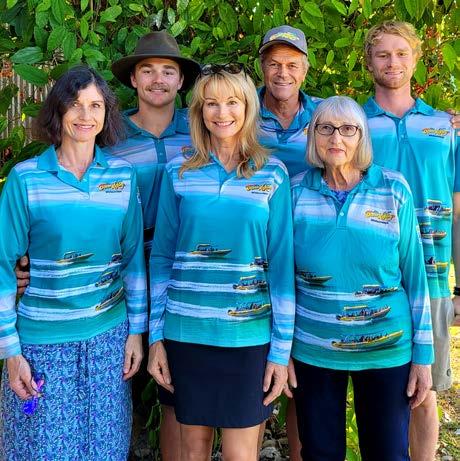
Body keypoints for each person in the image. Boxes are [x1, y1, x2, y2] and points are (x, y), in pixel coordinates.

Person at [147, 65, 295, 460]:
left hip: (247, 338)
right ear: (199, 112)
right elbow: (161, 258)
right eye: (211, 103)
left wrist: (280, 350)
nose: (222, 112)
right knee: (192, 450)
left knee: (240, 454)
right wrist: (156, 336)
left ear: (247, 108)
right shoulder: (178, 172)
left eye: (232, 102)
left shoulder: (273, 174)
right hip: (186, 333)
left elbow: (281, 267)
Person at [0, 66, 147, 460]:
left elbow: (133, 261)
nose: (85, 115)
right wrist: (10, 352)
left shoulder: (123, 177)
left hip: (108, 341)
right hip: (41, 346)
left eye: (95, 105)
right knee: (40, 450)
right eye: (75, 104)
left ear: (107, 113)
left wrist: (136, 332)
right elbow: (3, 267)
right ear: (58, 111)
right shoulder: (26, 180)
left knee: (105, 449)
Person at [290, 95, 433, 461]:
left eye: (348, 129)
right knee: (319, 453)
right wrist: (282, 350)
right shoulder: (294, 192)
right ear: (313, 136)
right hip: (315, 347)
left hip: (387, 346)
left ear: (362, 136)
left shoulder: (393, 189)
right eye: (325, 128)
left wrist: (423, 356)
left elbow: (415, 279)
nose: (336, 138)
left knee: (388, 453)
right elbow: (281, 280)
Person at [362, 21, 460, 461]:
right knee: (374, 389)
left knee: (425, 391)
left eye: (402, 53)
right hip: (373, 277)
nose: (393, 62)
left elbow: (458, 209)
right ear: (369, 62)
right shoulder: (352, 125)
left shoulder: (444, 126)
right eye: (382, 54)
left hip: (433, 276)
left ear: (416, 60)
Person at [109, 30, 201, 460]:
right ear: (133, 79)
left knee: (175, 383)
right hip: (123, 270)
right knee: (119, 375)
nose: (158, 80)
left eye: (168, 71)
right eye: (147, 71)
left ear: (181, 81)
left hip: (182, 271)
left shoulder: (200, 131)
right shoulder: (110, 136)